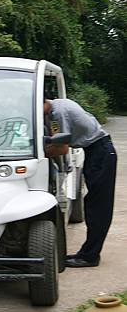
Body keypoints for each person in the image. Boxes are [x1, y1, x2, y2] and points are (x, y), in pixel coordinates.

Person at [44, 97, 117, 268]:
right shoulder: (59, 104)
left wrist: (40, 154)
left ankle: (89, 257)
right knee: (94, 204)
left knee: (98, 207)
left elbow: (61, 147)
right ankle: (87, 253)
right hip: (97, 151)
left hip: (100, 152)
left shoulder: (57, 113)